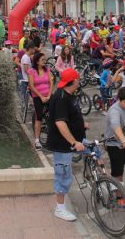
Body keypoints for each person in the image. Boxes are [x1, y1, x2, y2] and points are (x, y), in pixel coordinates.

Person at [46, 68, 86, 222]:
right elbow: (60, 122)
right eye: (78, 78)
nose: (79, 80)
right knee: (63, 175)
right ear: (74, 81)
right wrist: (74, 142)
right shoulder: (61, 97)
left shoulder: (67, 94)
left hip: (75, 139)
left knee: (96, 152)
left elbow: (69, 117)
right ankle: (60, 209)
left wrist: (82, 124)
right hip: (63, 145)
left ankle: (98, 182)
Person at [28, 51, 54, 150]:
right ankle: (37, 140)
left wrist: (49, 95)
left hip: (48, 95)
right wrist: (41, 96)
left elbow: (51, 83)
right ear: (37, 61)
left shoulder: (47, 70)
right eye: (42, 59)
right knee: (39, 117)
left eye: (45, 59)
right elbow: (31, 85)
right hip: (37, 96)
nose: (44, 61)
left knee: (55, 113)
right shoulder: (32, 71)